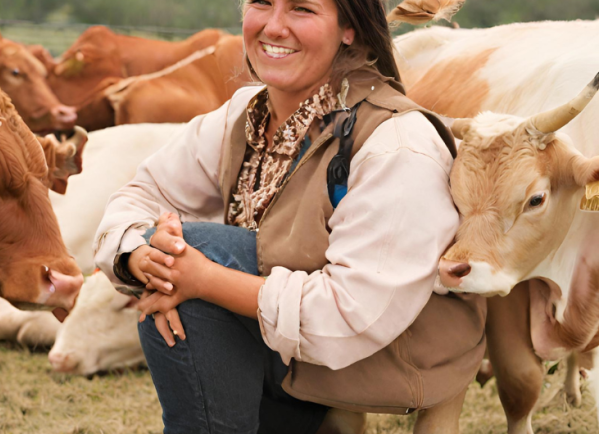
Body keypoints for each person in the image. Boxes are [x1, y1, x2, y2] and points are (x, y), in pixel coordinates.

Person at [94, 0, 486, 433]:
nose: (274, 27)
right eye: (262, 3)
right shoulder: (244, 113)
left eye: (302, 9)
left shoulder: (397, 143)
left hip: (382, 356)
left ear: (349, 28)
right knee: (173, 255)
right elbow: (141, 193)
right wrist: (140, 256)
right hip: (290, 347)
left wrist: (202, 277)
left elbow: (351, 317)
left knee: (201, 251)